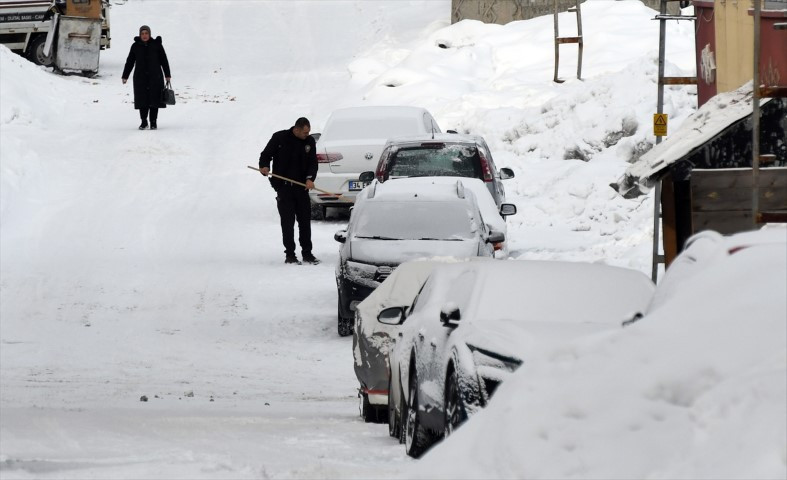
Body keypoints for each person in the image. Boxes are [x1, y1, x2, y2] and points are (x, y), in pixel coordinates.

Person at [259, 118, 320, 265]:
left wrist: (310, 178)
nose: (307, 135)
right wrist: (264, 166)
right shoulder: (279, 138)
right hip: (284, 188)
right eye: (305, 132)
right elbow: (265, 155)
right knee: (287, 223)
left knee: (305, 222)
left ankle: (307, 253)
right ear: (297, 129)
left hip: (301, 188)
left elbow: (313, 162)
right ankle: (290, 254)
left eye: (309, 132)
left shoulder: (309, 142)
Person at [121, 25, 171, 130]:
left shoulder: (157, 45)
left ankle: (153, 122)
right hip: (140, 78)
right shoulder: (135, 46)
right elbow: (130, 62)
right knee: (142, 100)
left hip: (155, 77)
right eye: (142, 34)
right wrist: (125, 76)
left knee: (155, 100)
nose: (144, 36)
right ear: (140, 35)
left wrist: (167, 75)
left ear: (150, 34)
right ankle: (144, 122)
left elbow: (164, 60)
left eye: (146, 33)